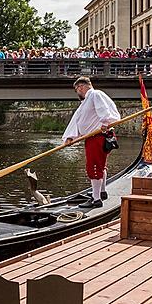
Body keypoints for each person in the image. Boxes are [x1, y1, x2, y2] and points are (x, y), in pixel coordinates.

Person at [62, 76, 120, 209]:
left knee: (93, 167)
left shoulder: (94, 94)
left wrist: (106, 122)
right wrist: (70, 137)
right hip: (95, 137)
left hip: (97, 137)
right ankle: (102, 192)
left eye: (77, 89)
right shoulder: (86, 101)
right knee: (101, 165)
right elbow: (77, 120)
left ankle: (96, 199)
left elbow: (104, 111)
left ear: (81, 87)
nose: (77, 93)